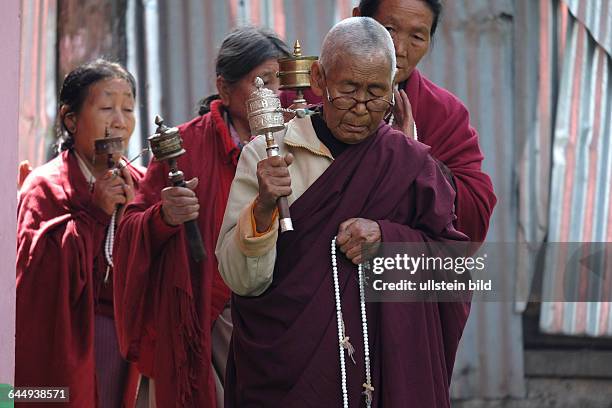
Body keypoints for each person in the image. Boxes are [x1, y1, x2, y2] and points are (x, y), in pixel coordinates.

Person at [216, 17, 470, 407]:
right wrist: (264, 207)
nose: (362, 108)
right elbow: (241, 280)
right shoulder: (270, 155)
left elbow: (455, 274)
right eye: (349, 89)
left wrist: (389, 241)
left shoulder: (408, 164)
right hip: (284, 373)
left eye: (375, 93)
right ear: (319, 79)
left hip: (381, 376)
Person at [113, 26, 291, 407]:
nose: (272, 94)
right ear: (224, 89)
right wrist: (164, 216)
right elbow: (130, 227)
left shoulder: (296, 140)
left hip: (276, 314)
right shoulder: (185, 146)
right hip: (201, 315)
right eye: (260, 81)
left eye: (278, 81)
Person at [280, 0, 496, 244]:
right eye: (389, 29)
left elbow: (472, 222)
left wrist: (413, 157)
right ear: (358, 18)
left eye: (416, 36)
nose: (400, 49)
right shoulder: (309, 94)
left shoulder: (444, 114)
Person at [16, 59, 143, 407]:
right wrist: (93, 213)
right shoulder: (44, 187)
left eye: (128, 108)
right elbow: (34, 283)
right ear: (71, 119)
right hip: (69, 345)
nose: (119, 120)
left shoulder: (143, 183)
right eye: (106, 108)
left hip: (130, 346)